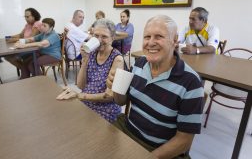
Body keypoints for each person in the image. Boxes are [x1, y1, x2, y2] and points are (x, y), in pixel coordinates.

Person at [108, 15, 204, 158]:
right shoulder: (139, 64)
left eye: (159, 36)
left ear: (175, 39)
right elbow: (121, 101)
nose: (151, 43)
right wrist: (116, 87)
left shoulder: (191, 83)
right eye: (147, 37)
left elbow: (184, 140)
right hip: (128, 132)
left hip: (160, 149)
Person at [57, 18, 124, 123]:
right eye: (96, 36)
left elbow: (110, 96)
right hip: (86, 101)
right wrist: (85, 59)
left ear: (113, 38)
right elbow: (81, 86)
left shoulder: (117, 59)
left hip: (105, 108)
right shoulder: (92, 52)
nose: (99, 40)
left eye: (104, 37)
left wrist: (80, 95)